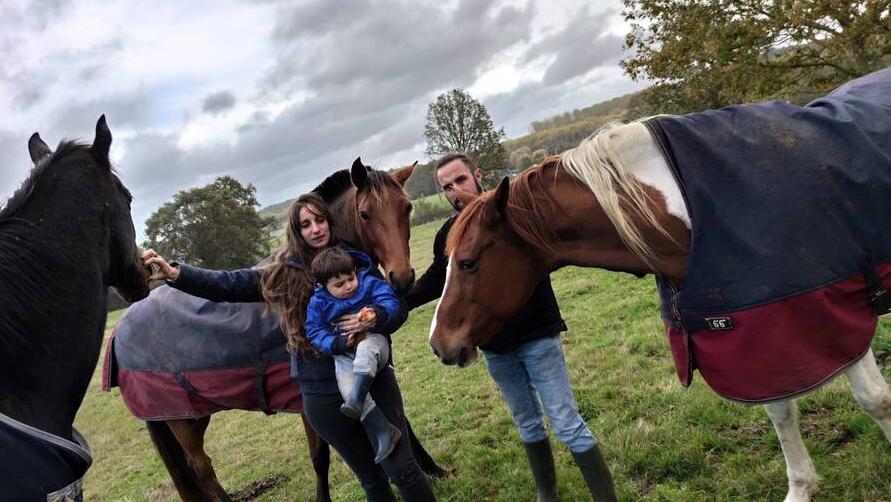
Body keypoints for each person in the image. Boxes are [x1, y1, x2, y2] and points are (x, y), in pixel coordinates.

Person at [142, 192, 435, 502]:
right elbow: (228, 284)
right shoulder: (283, 274)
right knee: (372, 479)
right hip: (322, 394)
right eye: (306, 224)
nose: (316, 229)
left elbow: (397, 309)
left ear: (329, 222)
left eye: (320, 220)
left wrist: (378, 316)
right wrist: (176, 274)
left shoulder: (354, 260)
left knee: (402, 468)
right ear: (297, 231)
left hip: (374, 381)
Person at [405, 154, 617, 502]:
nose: (455, 191)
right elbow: (436, 281)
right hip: (495, 346)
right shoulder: (451, 231)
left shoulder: (513, 216)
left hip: (537, 335)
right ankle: (546, 494)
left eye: (460, 180)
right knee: (526, 421)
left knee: (566, 421)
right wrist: (395, 304)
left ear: (477, 175)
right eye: (446, 186)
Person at [306, 245, 402, 463]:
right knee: (348, 393)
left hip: (373, 342)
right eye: (339, 284)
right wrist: (337, 342)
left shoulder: (367, 282)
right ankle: (384, 431)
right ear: (323, 286)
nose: (349, 286)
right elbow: (314, 332)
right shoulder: (318, 303)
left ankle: (360, 395)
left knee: (366, 352)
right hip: (344, 355)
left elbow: (390, 300)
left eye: (351, 278)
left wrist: (376, 314)